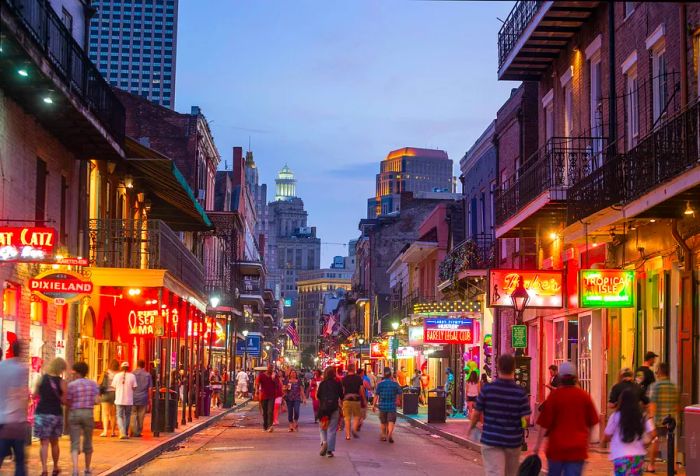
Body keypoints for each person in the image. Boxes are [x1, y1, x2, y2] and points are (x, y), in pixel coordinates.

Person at [467, 354, 530, 476]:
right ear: (513, 368)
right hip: (513, 441)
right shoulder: (520, 392)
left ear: (498, 367)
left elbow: (476, 413)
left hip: (492, 440)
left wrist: (471, 427)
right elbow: (526, 419)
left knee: (495, 472)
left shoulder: (488, 389)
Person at [533, 362, 599, 476]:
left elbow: (544, 425)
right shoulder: (584, 396)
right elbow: (593, 422)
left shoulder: (554, 397)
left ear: (561, 378)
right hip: (577, 450)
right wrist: (587, 442)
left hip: (556, 449)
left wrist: (537, 447)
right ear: (575, 378)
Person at [603, 389, 656, 476]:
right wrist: (646, 443)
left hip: (620, 456)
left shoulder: (615, 416)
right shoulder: (642, 415)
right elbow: (653, 434)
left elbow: (606, 436)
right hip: (638, 457)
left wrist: (608, 440)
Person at [33, 357, 68, 476]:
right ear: (61, 369)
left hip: (41, 413)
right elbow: (64, 401)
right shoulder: (62, 382)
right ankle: (55, 467)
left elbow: (34, 395)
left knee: (44, 443)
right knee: (55, 442)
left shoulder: (41, 379)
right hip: (55, 414)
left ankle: (44, 469)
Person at [0, 340, 29, 476]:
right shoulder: (21, 369)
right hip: (15, 420)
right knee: (20, 462)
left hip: (2, 419)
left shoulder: (2, 366)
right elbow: (20, 394)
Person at [66, 361, 100, 476]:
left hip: (75, 413)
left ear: (77, 372)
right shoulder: (93, 384)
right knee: (88, 441)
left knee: (75, 442)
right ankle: (87, 468)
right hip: (88, 413)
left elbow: (68, 401)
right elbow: (96, 401)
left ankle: (75, 469)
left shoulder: (71, 385)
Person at [648, 362, 679, 473]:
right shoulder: (673, 386)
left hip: (659, 420)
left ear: (659, 372)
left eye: (657, 371)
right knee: (671, 442)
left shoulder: (656, 386)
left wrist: (651, 419)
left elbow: (652, 405)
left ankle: (651, 465)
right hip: (671, 421)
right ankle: (674, 466)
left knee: (655, 441)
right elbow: (677, 405)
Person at [316, 366, 344, 457]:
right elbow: (341, 395)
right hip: (334, 408)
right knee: (332, 429)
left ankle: (324, 442)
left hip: (324, 409)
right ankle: (329, 451)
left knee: (322, 427)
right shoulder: (337, 383)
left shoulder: (322, 383)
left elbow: (318, 396)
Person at [373, 367, 403, 443]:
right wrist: (399, 400)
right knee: (391, 421)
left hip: (382, 406)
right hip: (392, 405)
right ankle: (390, 434)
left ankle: (383, 435)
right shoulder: (395, 384)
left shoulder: (380, 384)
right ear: (391, 375)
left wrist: (373, 405)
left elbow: (376, 395)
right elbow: (400, 392)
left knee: (383, 422)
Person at [112, 362, 137, 439]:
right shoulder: (132, 376)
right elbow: (135, 387)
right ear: (128, 368)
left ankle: (122, 432)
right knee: (127, 416)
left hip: (119, 399)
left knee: (119, 416)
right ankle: (125, 432)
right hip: (129, 400)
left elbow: (113, 386)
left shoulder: (116, 376)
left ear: (121, 368)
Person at [341, 363, 364, 440]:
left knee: (347, 418)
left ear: (347, 369)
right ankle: (354, 429)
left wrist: (341, 400)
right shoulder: (358, 378)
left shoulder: (344, 379)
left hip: (347, 400)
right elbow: (361, 390)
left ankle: (348, 435)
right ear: (354, 369)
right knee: (357, 416)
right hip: (356, 400)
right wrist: (363, 399)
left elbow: (343, 391)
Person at [131, 360, 152, 437]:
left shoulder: (132, 374)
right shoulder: (147, 375)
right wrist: (150, 400)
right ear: (144, 366)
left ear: (137, 365)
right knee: (141, 415)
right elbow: (149, 389)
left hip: (133, 397)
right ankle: (139, 431)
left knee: (133, 414)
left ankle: (134, 430)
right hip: (143, 397)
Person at [99, 359, 119, 437]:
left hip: (106, 394)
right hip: (115, 394)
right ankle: (113, 432)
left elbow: (99, 382)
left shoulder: (106, 372)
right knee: (113, 414)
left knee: (105, 414)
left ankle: (105, 431)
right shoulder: (118, 374)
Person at [255, 365, 277, 432]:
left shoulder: (274, 376)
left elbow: (277, 385)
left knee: (270, 411)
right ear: (267, 368)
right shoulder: (261, 375)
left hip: (272, 396)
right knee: (265, 412)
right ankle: (265, 426)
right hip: (264, 395)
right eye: (269, 368)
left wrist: (273, 379)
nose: (270, 369)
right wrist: (256, 391)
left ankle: (270, 426)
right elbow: (257, 383)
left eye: (272, 368)